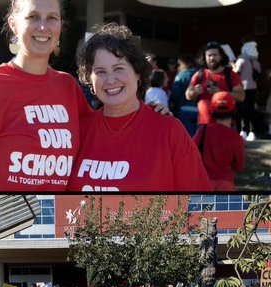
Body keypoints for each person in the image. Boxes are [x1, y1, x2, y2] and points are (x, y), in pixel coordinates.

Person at [0, 0, 92, 191]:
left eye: (52, 18)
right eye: (33, 17)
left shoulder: (69, 88)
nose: (43, 26)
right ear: (13, 25)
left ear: (60, 26)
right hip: (1, 218)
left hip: (53, 217)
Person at [68, 23, 212, 191]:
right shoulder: (78, 131)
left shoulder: (169, 130)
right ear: (90, 81)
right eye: (100, 72)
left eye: (119, 68)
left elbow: (199, 202)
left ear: (137, 72)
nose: (111, 79)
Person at [192, 92, 245, 191]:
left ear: (212, 111)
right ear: (234, 111)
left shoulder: (202, 131)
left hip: (204, 181)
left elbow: (191, 154)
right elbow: (239, 166)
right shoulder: (237, 138)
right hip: (226, 184)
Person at [186, 41, 245, 128]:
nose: (212, 58)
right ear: (204, 57)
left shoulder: (231, 75)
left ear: (221, 56)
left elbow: (241, 96)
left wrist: (221, 93)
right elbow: (188, 95)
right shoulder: (199, 74)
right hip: (203, 125)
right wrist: (194, 92)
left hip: (226, 125)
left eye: (215, 55)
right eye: (209, 55)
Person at [233, 36, 261, 141]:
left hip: (242, 88)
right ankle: (252, 132)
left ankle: (243, 131)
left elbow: (236, 71)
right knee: (251, 109)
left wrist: (232, 64)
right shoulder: (255, 61)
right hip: (253, 88)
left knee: (242, 110)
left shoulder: (241, 58)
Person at [170, 54, 200, 136]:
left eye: (179, 64)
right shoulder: (201, 75)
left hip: (184, 109)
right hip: (200, 110)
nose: (178, 66)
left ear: (187, 64)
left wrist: (171, 102)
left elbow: (175, 94)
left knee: (187, 137)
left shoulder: (180, 76)